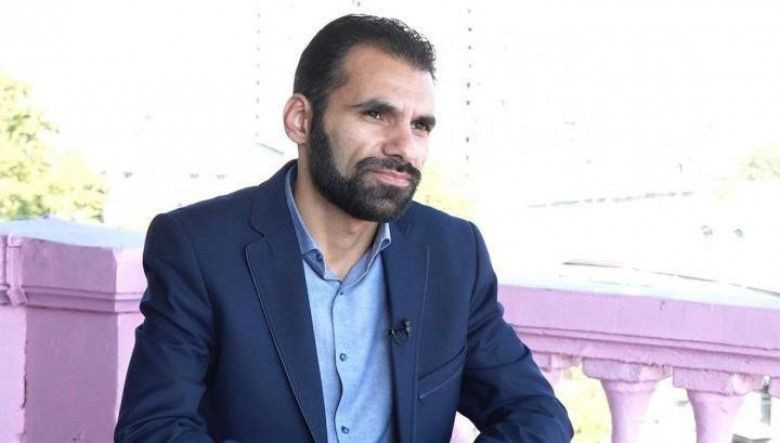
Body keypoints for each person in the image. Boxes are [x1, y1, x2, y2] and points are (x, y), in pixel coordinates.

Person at [115, 14, 573, 443]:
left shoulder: (453, 252)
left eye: (420, 126)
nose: (404, 146)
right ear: (301, 120)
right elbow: (153, 429)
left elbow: (536, 413)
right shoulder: (199, 247)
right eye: (375, 114)